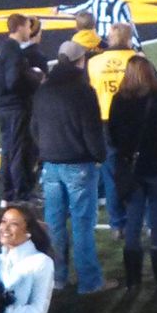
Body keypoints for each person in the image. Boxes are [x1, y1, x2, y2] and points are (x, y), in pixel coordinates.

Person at [32, 40, 108, 294]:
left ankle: (57, 278)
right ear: (80, 61)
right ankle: (89, 281)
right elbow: (91, 129)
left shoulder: (43, 89)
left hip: (51, 164)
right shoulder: (83, 91)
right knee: (82, 225)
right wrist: (99, 155)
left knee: (54, 224)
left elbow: (34, 129)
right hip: (78, 164)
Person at [108, 55, 157, 291]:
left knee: (133, 220)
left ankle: (134, 279)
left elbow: (113, 136)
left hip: (131, 169)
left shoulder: (118, 100)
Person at [0, 15, 46, 205]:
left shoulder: (1, 48)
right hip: (15, 107)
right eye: (28, 27)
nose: (30, 32)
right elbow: (13, 81)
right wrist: (34, 78)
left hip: (4, 107)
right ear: (21, 27)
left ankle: (7, 194)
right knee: (19, 151)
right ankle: (20, 194)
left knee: (8, 150)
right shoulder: (13, 50)